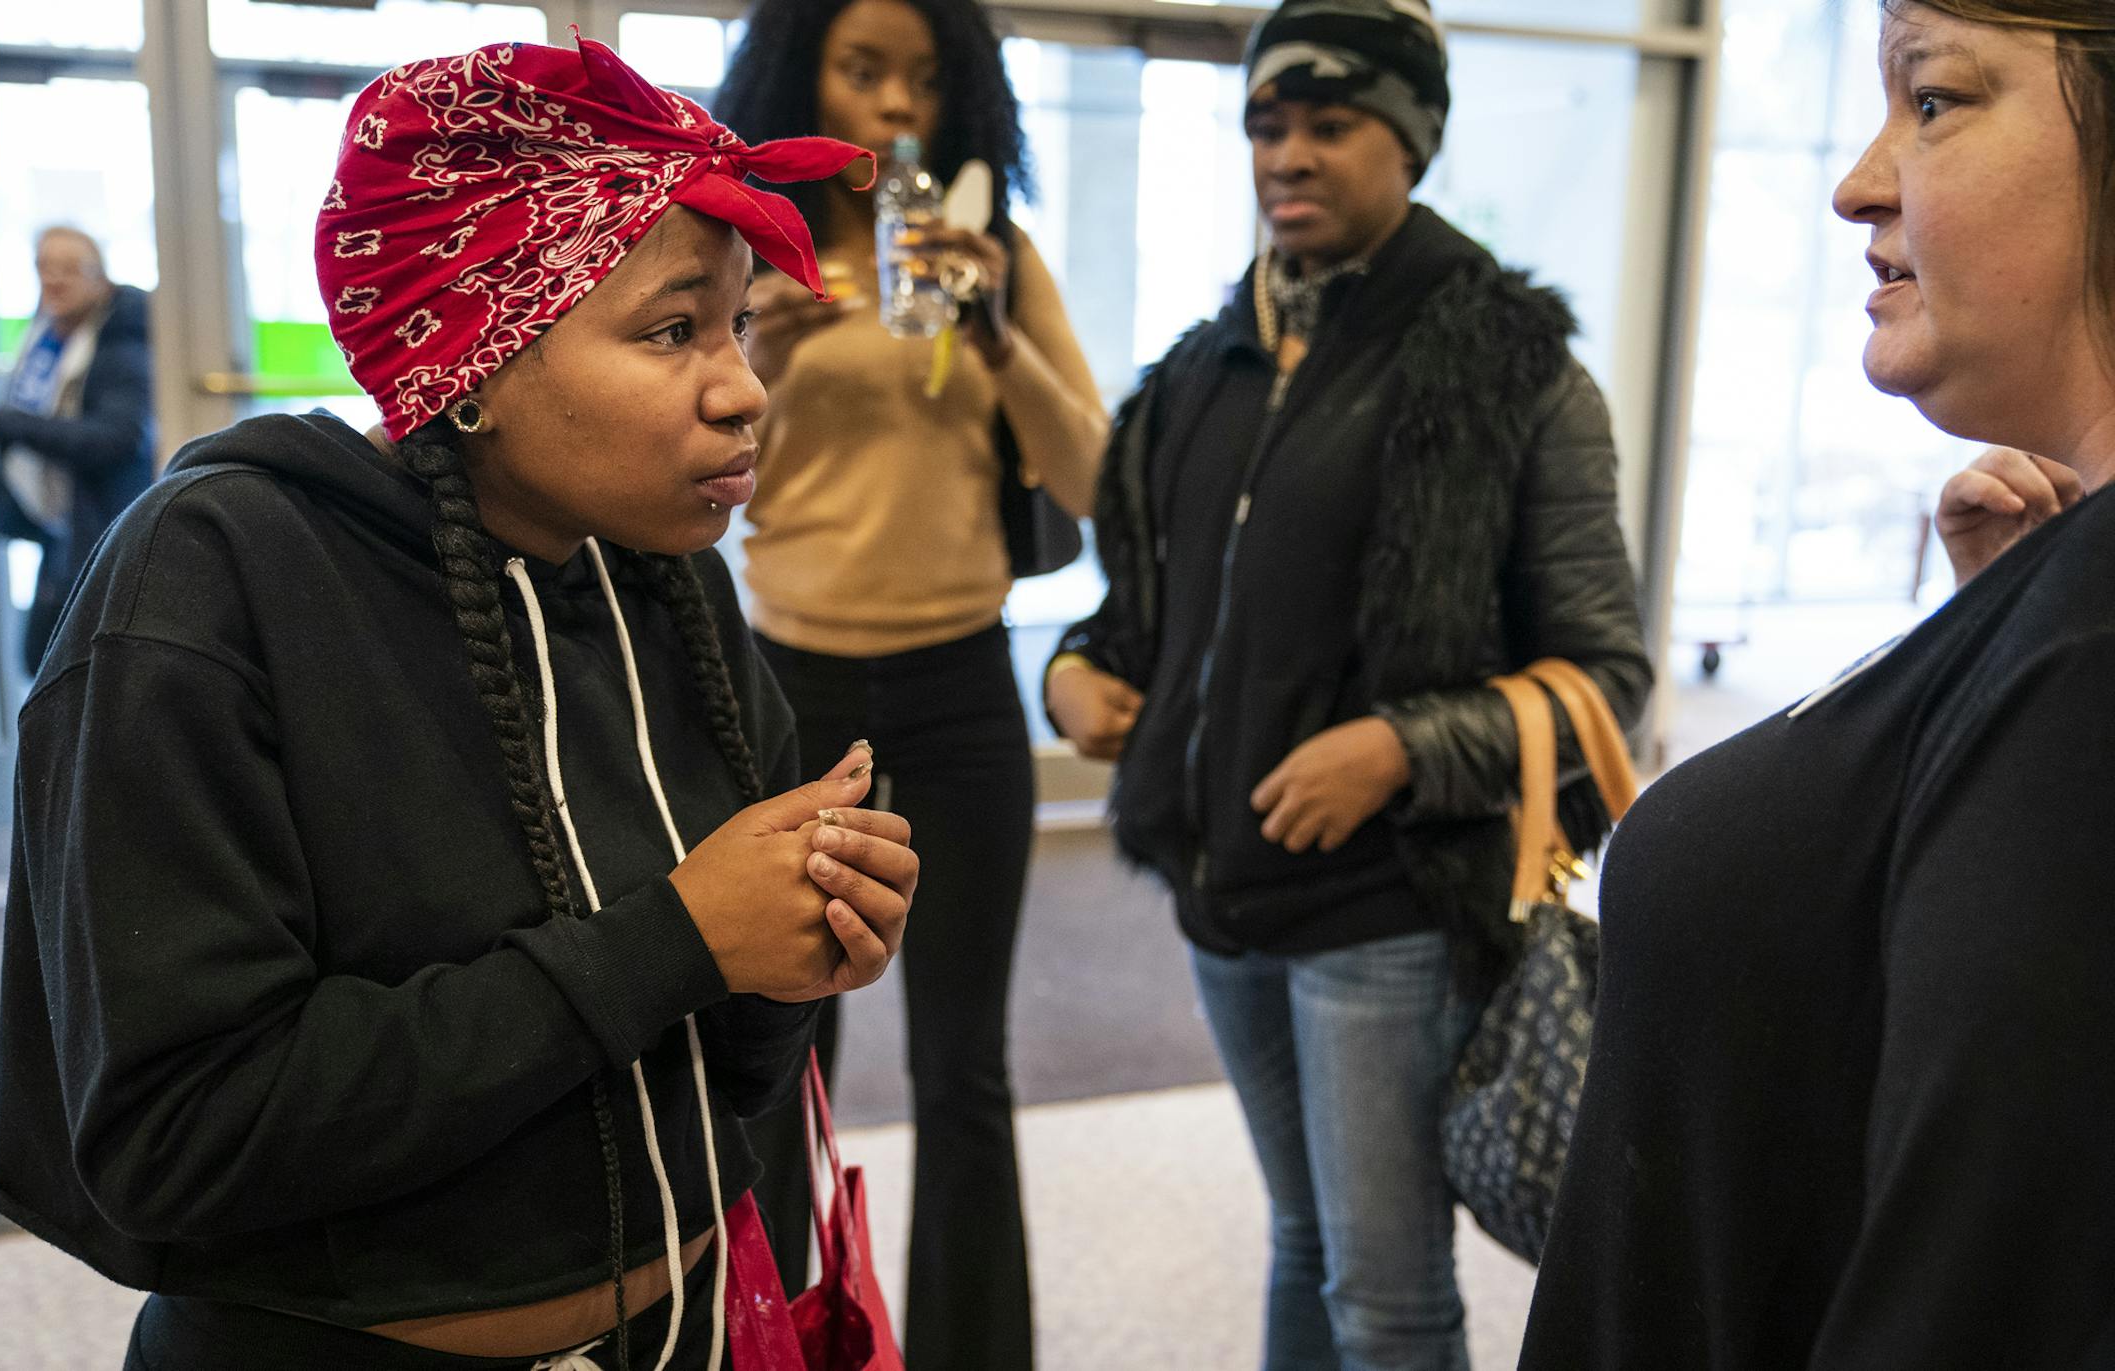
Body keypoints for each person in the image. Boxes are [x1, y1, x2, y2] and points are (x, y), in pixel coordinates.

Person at [0, 37, 917, 1371]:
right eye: (670, 331)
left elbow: (719, 1078)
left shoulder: (665, 584)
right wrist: (671, 938)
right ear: (475, 357)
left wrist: (794, 943)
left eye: (738, 323)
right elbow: (176, 1136)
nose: (742, 386)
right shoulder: (214, 582)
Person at [1046, 1, 1650, 1367]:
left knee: (1383, 1291)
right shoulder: (1204, 370)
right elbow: (1140, 613)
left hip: (1391, 906)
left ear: (1413, 141)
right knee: (1305, 1238)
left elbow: (1611, 676)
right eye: (1269, 124)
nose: (1290, 154)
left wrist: (1396, 746)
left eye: (1332, 124)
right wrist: (1077, 676)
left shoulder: (1511, 367)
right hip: (1221, 886)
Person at [1519, 4, 2115, 1367]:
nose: (1857, 179)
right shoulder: (2060, 606)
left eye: (1937, 99)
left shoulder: (2093, 644)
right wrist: (1992, 644)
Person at [713, 3, 1107, 1365]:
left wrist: (996, 326)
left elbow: (1095, 478)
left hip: (958, 688)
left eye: (926, 80)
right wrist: (759, 344)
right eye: (861, 70)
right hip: (790, 693)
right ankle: (770, 1345)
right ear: (797, 78)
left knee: (965, 1070)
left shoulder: (994, 260)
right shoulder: (749, 256)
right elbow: (673, 485)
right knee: (780, 1064)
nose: (896, 106)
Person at [0, 226, 152, 674]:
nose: (54, 280)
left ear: (100, 278)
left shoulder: (122, 341)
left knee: (65, 665)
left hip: (100, 526)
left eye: (69, 270)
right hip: (59, 525)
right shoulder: (50, 334)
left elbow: (115, 439)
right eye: (44, 268)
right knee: (41, 661)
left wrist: (5, 424)